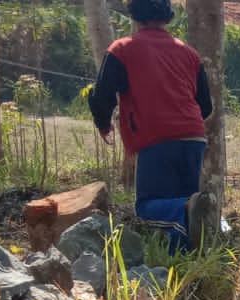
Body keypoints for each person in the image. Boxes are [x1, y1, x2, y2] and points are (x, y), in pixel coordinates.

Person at [87, 0, 216, 251]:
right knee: (189, 213)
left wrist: (103, 124)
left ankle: (186, 214)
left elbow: (101, 95)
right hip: (194, 138)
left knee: (148, 207)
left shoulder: (122, 49)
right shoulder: (189, 53)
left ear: (134, 14)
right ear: (168, 15)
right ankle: (187, 262)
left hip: (156, 139)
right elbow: (206, 106)